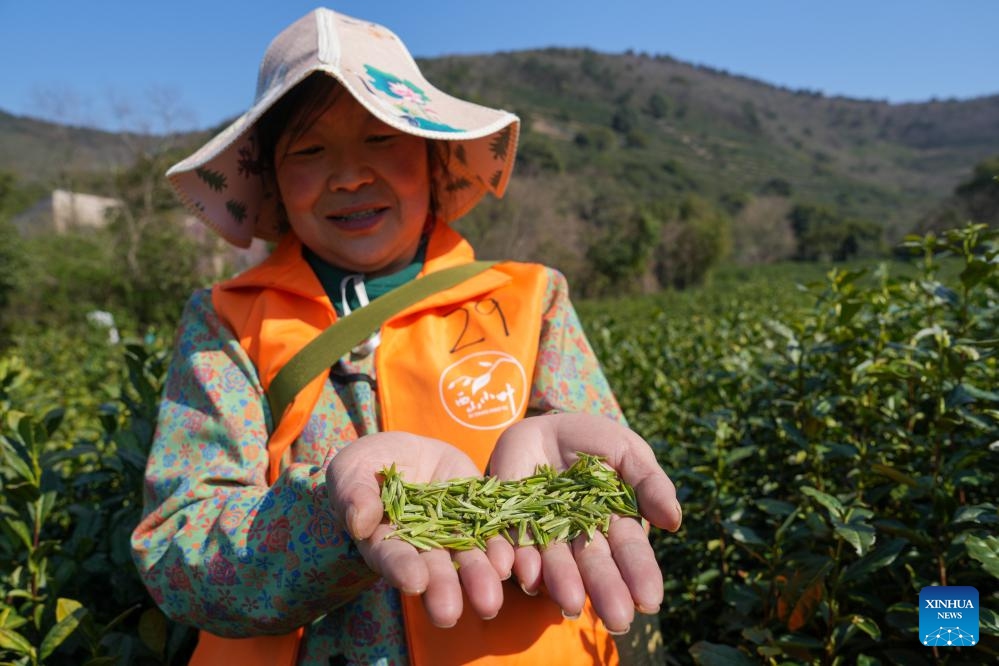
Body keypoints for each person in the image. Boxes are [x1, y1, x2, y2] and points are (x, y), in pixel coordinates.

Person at [131, 7, 682, 665]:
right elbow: (177, 551)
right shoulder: (226, 321)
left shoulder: (531, 298)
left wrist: (574, 466)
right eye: (308, 151)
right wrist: (330, 509)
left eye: (381, 139)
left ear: (431, 156)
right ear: (273, 179)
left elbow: (592, 472)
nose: (349, 176)